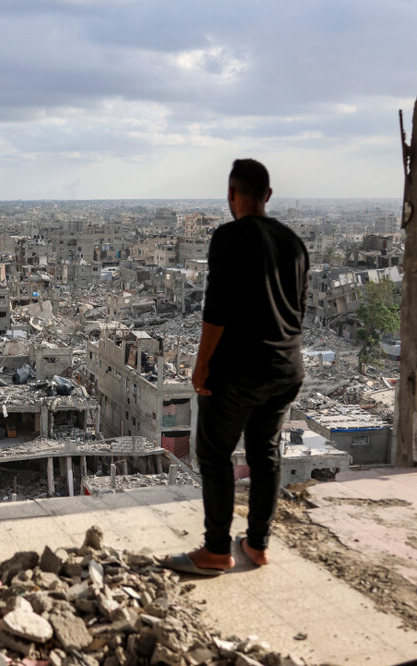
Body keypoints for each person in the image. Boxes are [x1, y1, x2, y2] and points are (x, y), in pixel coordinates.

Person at [163, 158, 309, 576]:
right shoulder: (293, 242)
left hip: (240, 369)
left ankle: (216, 550)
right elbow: (298, 310)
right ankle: (258, 545)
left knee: (214, 454)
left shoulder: (229, 237)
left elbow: (217, 309)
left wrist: (201, 364)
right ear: (268, 195)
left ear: (232, 195)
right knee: (265, 452)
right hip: (286, 367)